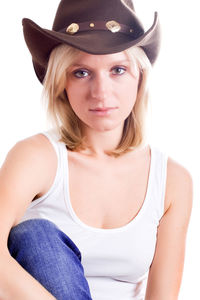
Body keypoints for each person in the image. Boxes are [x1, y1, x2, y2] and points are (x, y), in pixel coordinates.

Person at [0, 0, 193, 299]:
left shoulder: (172, 181)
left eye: (117, 69)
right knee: (35, 236)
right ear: (61, 82)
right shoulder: (36, 158)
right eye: (81, 72)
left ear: (139, 78)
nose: (101, 92)